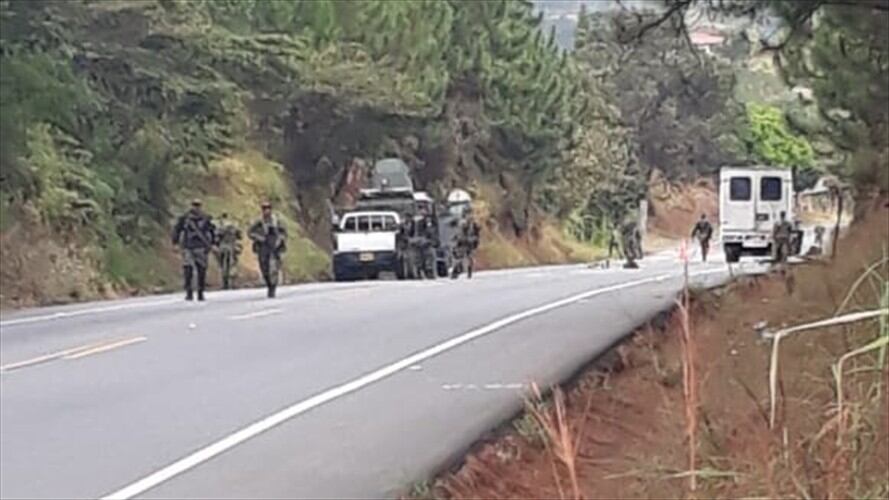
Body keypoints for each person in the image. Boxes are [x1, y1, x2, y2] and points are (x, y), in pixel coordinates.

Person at [172, 199, 216, 301]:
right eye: (194, 205)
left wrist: (213, 244)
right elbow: (177, 230)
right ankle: (189, 292)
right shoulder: (185, 218)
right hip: (188, 247)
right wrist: (175, 243)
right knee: (188, 269)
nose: (196, 207)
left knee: (202, 270)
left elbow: (212, 231)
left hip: (201, 247)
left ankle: (200, 292)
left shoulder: (205, 218)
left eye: (198, 205)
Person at [248, 202, 287, 298]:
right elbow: (250, 232)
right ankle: (269, 284)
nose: (267, 210)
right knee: (264, 268)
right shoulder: (259, 221)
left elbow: (284, 232)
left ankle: (272, 288)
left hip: (274, 246)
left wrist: (280, 240)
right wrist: (259, 237)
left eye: (268, 208)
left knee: (274, 269)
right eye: (264, 208)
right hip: (263, 247)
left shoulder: (276, 221)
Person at [214, 213, 242, 290]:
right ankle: (233, 283)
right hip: (232, 246)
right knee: (233, 264)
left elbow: (216, 238)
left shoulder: (220, 227)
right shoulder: (234, 226)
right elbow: (240, 236)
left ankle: (225, 283)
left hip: (223, 247)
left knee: (223, 265)